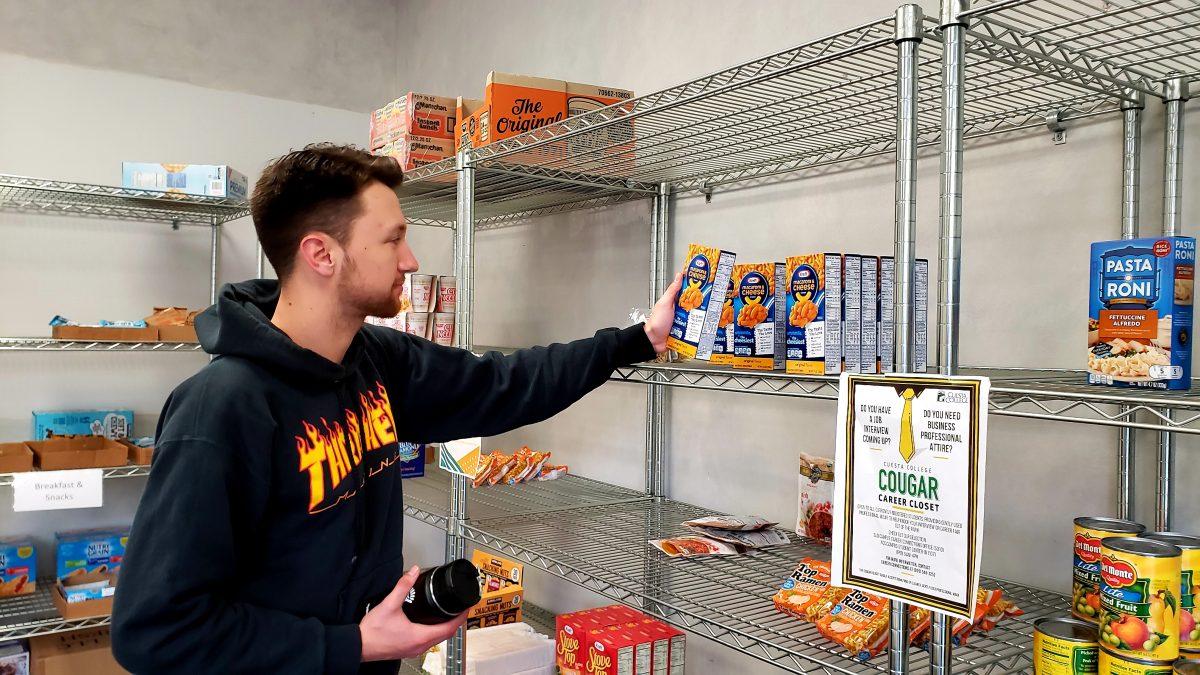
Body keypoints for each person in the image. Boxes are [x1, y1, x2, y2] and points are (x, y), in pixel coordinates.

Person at [111, 143, 682, 674]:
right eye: (392, 240)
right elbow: (154, 630)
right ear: (322, 254)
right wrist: (352, 644)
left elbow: (503, 383)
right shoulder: (220, 408)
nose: (410, 261)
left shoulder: (374, 361)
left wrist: (635, 341)